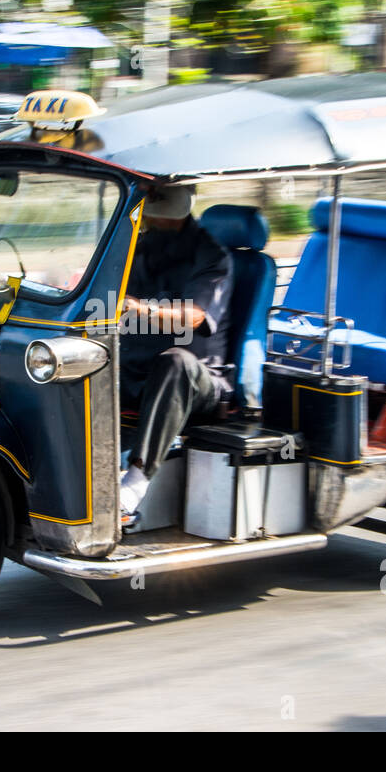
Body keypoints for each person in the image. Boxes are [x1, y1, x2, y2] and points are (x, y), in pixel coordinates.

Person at [118, 184, 233, 521]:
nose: (145, 218)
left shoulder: (213, 257)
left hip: (200, 382)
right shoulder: (141, 246)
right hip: (136, 370)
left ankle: (136, 481)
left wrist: (139, 310)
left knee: (174, 362)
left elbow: (196, 315)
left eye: (151, 207)